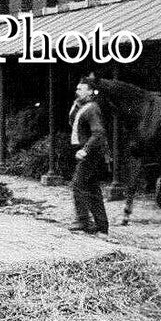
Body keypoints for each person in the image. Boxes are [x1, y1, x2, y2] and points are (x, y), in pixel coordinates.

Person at [68, 74, 109, 234]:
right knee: (92, 188)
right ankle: (101, 225)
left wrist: (85, 150)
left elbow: (98, 133)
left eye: (81, 89)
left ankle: (83, 221)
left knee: (78, 184)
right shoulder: (84, 107)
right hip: (89, 152)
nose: (77, 90)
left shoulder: (92, 108)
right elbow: (72, 122)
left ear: (91, 91)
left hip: (90, 153)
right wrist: (76, 105)